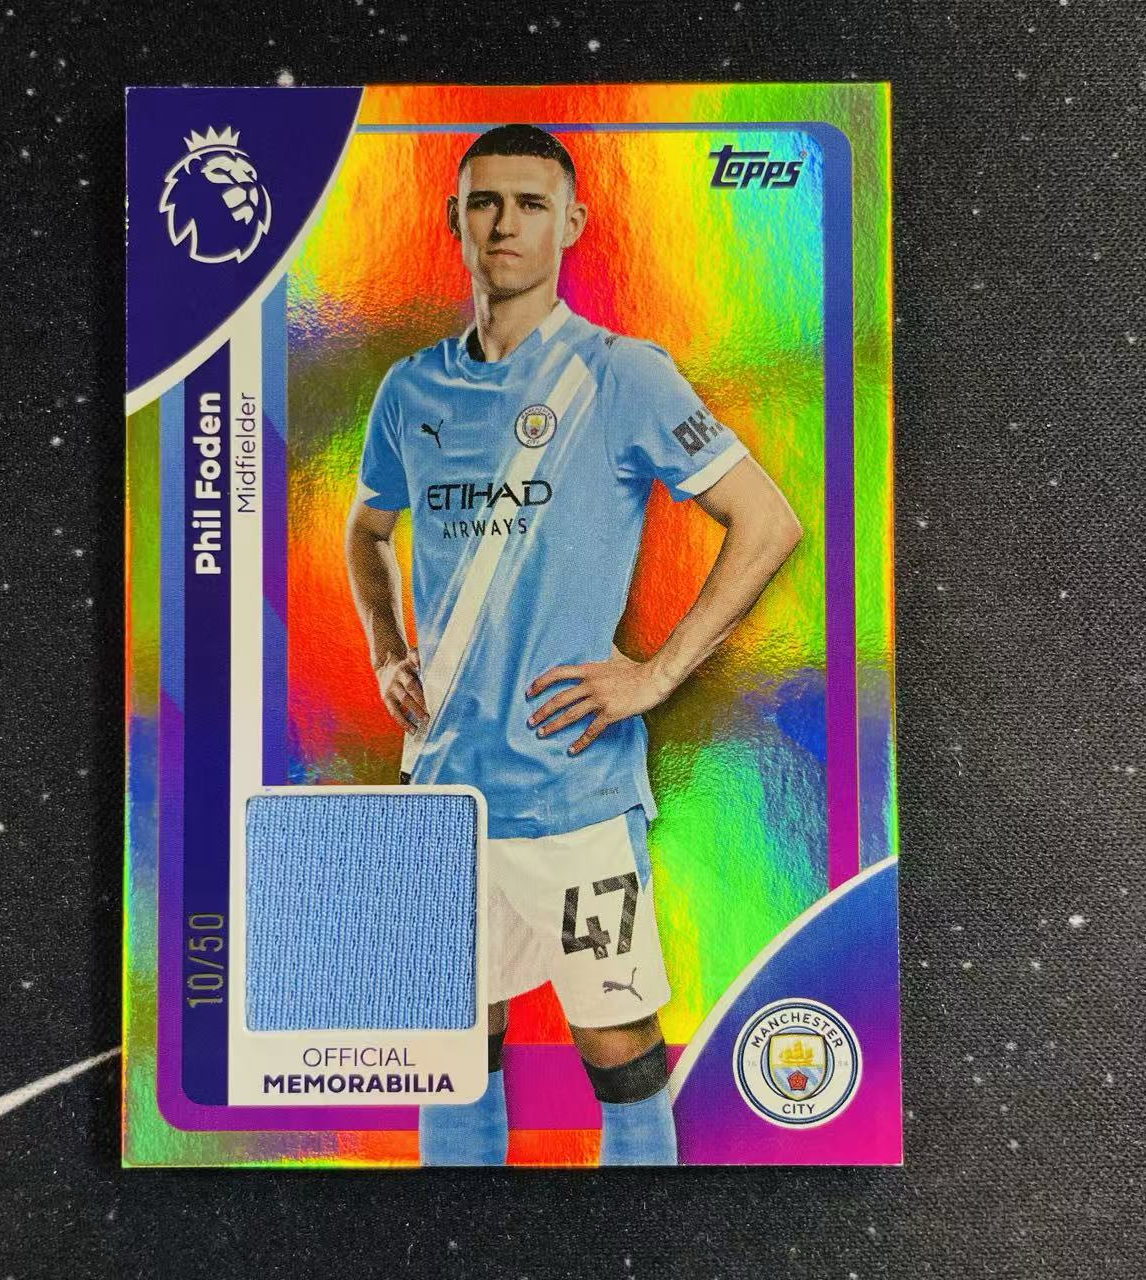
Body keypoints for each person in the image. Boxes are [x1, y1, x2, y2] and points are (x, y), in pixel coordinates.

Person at [344, 124, 802, 1165]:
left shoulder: (621, 374)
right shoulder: (409, 389)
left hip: (571, 792)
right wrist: (384, 647)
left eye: (530, 203)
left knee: (621, 1055)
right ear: (454, 219)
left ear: (573, 224)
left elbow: (766, 521)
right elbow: (366, 530)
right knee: (452, 1048)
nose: (504, 223)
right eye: (484, 202)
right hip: (442, 791)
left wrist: (656, 674)